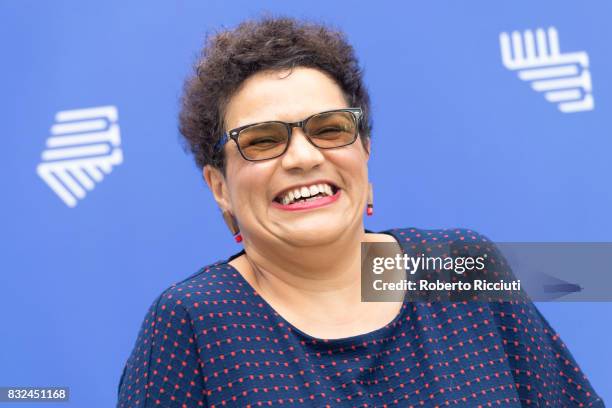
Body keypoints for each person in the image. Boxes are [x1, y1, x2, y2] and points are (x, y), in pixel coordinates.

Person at [117, 16, 603, 407]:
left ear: (364, 152)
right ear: (219, 186)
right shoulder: (192, 324)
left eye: (329, 129)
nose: (304, 157)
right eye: (263, 140)